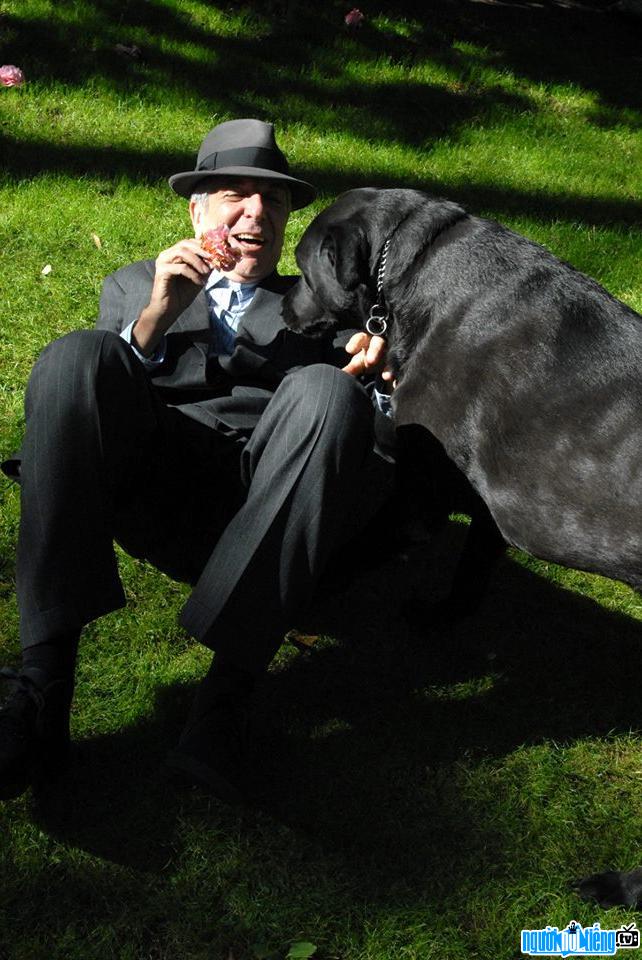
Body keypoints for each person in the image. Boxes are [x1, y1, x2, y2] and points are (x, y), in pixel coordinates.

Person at [0, 118, 394, 805]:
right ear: (197, 209)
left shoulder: (332, 312)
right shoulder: (135, 283)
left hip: (267, 499)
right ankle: (41, 694)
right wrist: (156, 315)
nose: (257, 213)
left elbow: (370, 439)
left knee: (327, 388)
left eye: (273, 200)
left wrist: (384, 381)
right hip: (157, 483)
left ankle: (223, 705)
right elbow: (97, 396)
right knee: (75, 355)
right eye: (236, 194)